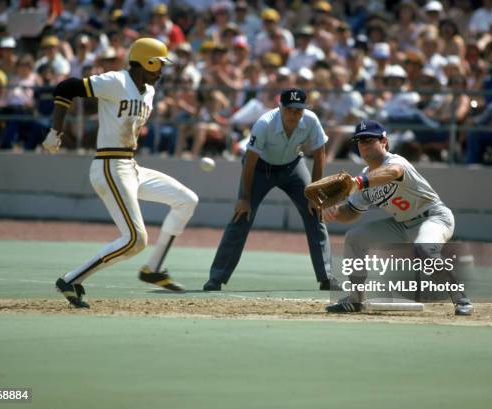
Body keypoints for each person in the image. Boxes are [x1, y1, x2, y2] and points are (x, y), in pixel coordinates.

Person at [42, 38, 199, 308]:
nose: (161, 71)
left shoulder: (148, 91)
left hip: (129, 165)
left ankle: (153, 270)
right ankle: (71, 279)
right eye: (158, 65)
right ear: (146, 62)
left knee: (187, 199)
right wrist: (55, 131)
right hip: (109, 165)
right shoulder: (116, 80)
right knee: (135, 239)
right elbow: (66, 87)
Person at [321, 120, 473, 316]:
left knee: (425, 248)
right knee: (355, 237)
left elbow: (393, 173)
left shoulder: (395, 162)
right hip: (401, 225)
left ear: (384, 141)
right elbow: (351, 211)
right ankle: (355, 299)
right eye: (359, 141)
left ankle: (461, 299)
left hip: (434, 217)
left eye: (369, 139)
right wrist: (333, 212)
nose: (364, 145)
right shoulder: (364, 175)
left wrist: (359, 182)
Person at [203, 88, 335, 291]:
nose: (294, 114)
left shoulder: (311, 120)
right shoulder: (264, 124)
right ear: (280, 107)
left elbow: (320, 155)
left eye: (298, 110)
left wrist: (315, 194)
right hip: (259, 169)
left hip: (293, 167)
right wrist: (245, 198)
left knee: (315, 212)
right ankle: (216, 278)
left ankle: (327, 277)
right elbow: (249, 162)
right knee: (242, 215)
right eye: (289, 109)